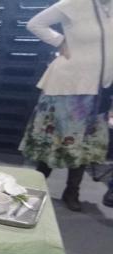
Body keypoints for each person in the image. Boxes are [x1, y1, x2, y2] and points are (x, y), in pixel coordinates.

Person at [19, 0, 112, 212]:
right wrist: (60, 41)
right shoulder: (74, 4)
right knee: (55, 139)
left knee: (85, 143)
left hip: (99, 89)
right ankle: (36, 184)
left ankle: (72, 190)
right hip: (68, 86)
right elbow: (35, 24)